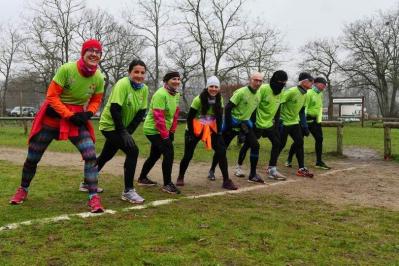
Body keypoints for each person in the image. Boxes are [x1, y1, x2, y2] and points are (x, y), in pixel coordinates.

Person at [10, 39, 105, 213]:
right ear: (83, 53)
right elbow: (51, 96)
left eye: (98, 52)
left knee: (90, 155)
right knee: (33, 157)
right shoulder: (67, 69)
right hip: (53, 117)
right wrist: (68, 114)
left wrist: (89, 113)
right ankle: (23, 189)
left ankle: (93, 197)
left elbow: (96, 99)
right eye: (90, 51)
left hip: (77, 120)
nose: (94, 54)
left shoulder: (99, 77)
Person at [95, 59, 149, 204]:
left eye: (142, 73)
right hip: (109, 125)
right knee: (133, 151)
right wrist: (123, 132)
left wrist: (128, 131)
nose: (139, 75)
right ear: (129, 72)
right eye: (136, 72)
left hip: (122, 128)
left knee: (107, 154)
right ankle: (128, 191)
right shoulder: (123, 84)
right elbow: (115, 109)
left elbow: (141, 112)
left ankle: (88, 180)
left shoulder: (144, 89)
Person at [176, 76, 238, 190]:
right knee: (188, 155)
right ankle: (180, 176)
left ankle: (226, 181)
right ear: (207, 87)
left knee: (221, 151)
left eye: (216, 87)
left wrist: (219, 132)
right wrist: (190, 133)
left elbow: (219, 118)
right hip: (194, 128)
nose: (214, 89)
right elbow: (189, 117)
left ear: (218, 88)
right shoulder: (198, 99)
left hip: (210, 129)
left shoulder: (219, 100)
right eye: (211, 86)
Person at [208, 72, 263, 183]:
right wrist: (229, 125)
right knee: (221, 150)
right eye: (255, 80)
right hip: (232, 123)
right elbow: (228, 108)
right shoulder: (241, 92)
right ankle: (212, 170)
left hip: (245, 124)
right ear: (250, 80)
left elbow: (252, 110)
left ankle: (252, 174)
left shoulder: (259, 94)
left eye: (260, 81)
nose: (257, 83)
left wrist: (251, 123)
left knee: (255, 145)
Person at [236, 70, 288, 180]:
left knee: (277, 142)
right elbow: (253, 105)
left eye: (284, 83)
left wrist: (277, 124)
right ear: (274, 80)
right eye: (280, 82)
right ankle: (239, 167)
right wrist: (250, 123)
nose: (281, 85)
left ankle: (272, 169)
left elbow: (278, 108)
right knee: (248, 145)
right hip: (257, 123)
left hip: (269, 124)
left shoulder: (282, 92)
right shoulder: (263, 89)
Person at [138, 71, 181, 194]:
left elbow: (176, 114)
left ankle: (142, 178)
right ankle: (167, 184)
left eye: (178, 79)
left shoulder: (176, 95)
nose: (177, 81)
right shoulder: (160, 94)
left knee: (155, 155)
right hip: (153, 129)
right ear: (166, 81)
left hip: (164, 130)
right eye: (174, 79)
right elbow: (159, 117)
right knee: (169, 152)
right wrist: (165, 136)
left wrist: (172, 131)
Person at [286, 77, 331, 170]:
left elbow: (319, 107)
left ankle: (319, 161)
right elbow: (304, 108)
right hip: (305, 120)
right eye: (323, 84)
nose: (324, 86)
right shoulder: (309, 93)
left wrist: (319, 120)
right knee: (298, 141)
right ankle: (289, 159)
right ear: (316, 84)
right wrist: (303, 123)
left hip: (315, 121)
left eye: (325, 85)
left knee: (319, 139)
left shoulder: (320, 94)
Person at [279, 72, 314, 178]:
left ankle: (301, 168)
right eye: (311, 81)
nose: (312, 83)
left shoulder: (305, 94)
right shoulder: (291, 91)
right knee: (280, 144)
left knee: (299, 143)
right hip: (284, 122)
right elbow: (278, 104)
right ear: (304, 82)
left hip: (294, 122)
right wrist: (277, 120)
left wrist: (305, 126)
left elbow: (302, 111)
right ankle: (271, 166)